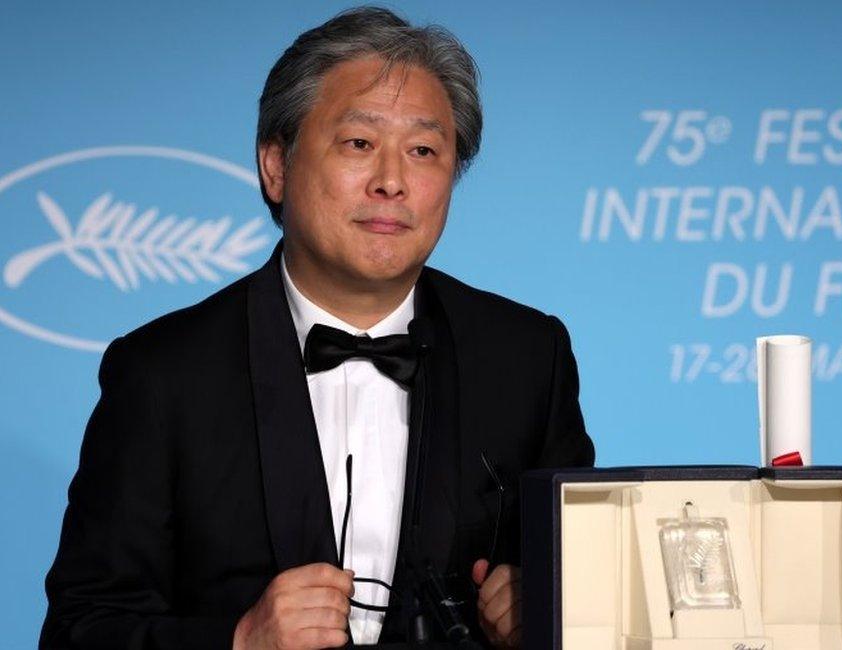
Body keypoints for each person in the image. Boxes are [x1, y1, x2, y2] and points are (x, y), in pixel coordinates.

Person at [40, 7, 594, 649]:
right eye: (359, 144)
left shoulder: (528, 356)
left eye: (422, 150)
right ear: (276, 166)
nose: (392, 182)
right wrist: (240, 641)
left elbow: (588, 594)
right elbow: (80, 628)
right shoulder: (162, 371)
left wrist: (548, 615)